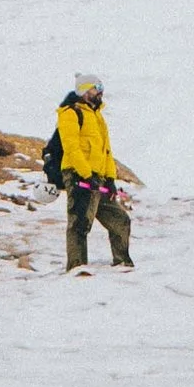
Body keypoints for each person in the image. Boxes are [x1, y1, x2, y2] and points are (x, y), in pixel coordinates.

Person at [56, 73, 132, 271]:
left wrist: (110, 179)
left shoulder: (97, 116)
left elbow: (106, 150)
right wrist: (85, 174)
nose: (100, 92)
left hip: (98, 179)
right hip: (78, 176)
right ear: (83, 90)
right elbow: (71, 148)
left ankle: (122, 263)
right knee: (80, 222)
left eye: (100, 88)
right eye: (95, 88)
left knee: (120, 220)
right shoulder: (70, 113)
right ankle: (77, 268)